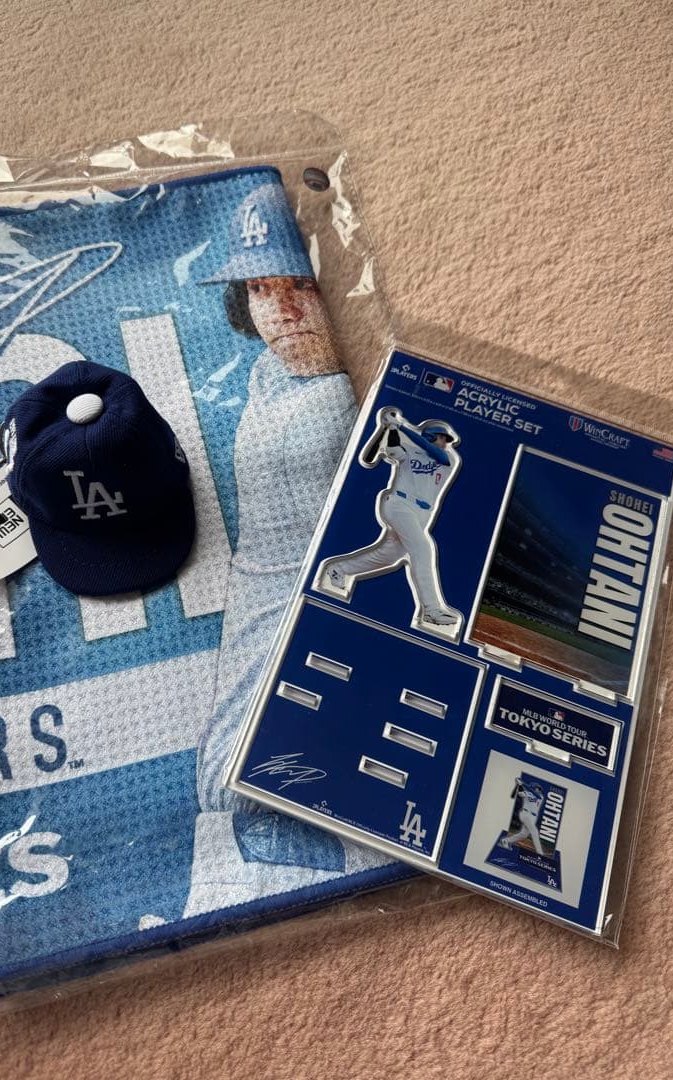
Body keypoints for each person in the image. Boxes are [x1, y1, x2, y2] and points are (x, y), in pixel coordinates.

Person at [184, 184, 385, 917]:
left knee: (256, 778)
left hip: (328, 601)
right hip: (261, 596)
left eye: (301, 286)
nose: (285, 311)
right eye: (262, 291)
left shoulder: (338, 401)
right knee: (223, 784)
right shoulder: (268, 374)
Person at [316, 406, 462, 631]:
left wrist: (401, 425)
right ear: (431, 436)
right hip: (398, 505)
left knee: (389, 556)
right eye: (442, 438)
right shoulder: (409, 450)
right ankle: (431, 611)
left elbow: (436, 454)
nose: (446, 442)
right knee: (423, 549)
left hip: (422, 514)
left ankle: (339, 569)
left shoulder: (449, 458)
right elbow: (393, 449)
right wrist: (392, 428)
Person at [500, 780, 545, 854]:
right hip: (525, 814)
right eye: (538, 788)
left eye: (539, 789)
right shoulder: (526, 793)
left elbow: (536, 794)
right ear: (533, 787)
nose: (539, 790)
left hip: (533, 817)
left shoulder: (541, 797)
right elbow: (516, 794)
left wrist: (523, 784)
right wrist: (519, 785)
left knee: (524, 835)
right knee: (534, 832)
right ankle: (540, 853)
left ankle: (506, 841)